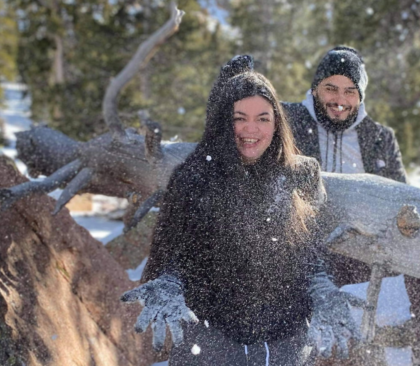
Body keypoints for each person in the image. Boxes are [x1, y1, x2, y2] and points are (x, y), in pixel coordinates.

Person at [121, 58, 364, 366]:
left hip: (285, 344)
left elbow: (311, 256)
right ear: (224, 121)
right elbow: (176, 255)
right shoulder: (194, 177)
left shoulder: (302, 174)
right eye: (240, 118)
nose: (252, 129)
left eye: (263, 118)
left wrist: (323, 290)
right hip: (209, 340)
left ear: (276, 123)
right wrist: (170, 282)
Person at [282, 46, 420, 364]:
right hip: (304, 243)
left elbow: (403, 202)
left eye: (349, 90)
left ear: (361, 95)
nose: (339, 99)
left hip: (365, 247)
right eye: (330, 87)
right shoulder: (288, 121)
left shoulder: (379, 137)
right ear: (315, 88)